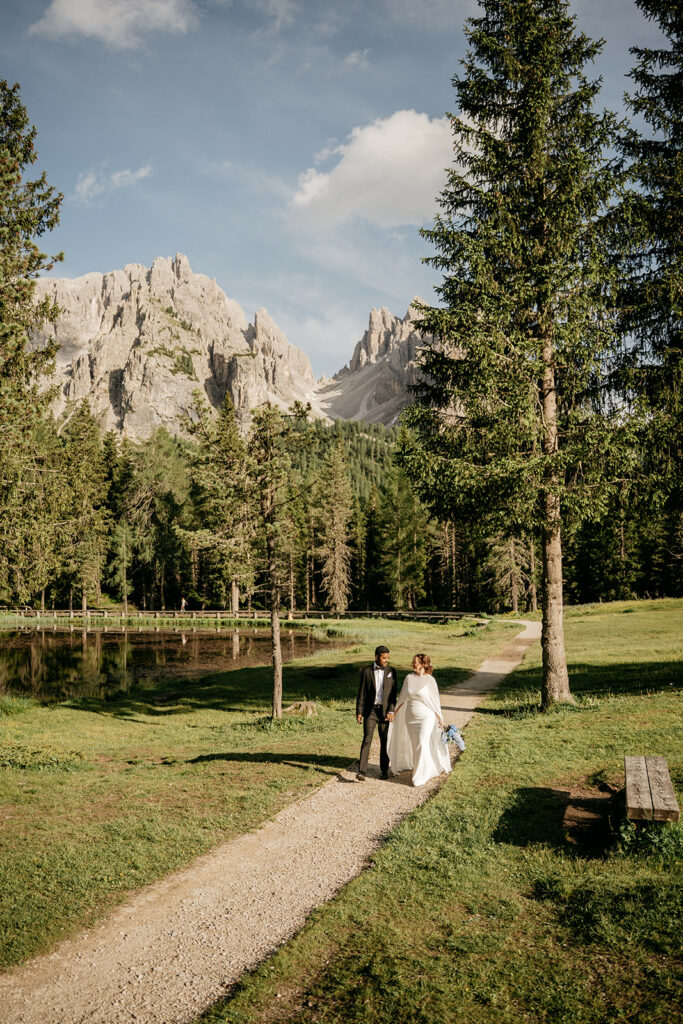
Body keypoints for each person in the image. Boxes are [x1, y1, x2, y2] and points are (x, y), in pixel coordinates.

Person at [387, 653, 451, 787]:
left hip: (426, 717)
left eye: (415, 662)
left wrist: (441, 719)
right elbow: (402, 697)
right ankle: (423, 768)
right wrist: (393, 713)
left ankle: (420, 775)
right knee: (415, 744)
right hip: (410, 717)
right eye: (413, 661)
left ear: (423, 664)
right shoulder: (409, 678)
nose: (413, 664)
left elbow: (435, 702)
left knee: (422, 743)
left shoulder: (430, 680)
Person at [355, 645, 398, 782]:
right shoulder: (366, 671)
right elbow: (361, 692)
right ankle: (362, 771)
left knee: (384, 740)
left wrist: (391, 710)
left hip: (385, 711)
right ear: (376, 657)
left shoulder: (392, 671)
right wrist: (359, 711)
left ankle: (384, 770)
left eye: (387, 658)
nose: (386, 660)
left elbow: (393, 694)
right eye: (384, 658)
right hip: (370, 711)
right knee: (367, 739)